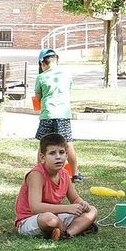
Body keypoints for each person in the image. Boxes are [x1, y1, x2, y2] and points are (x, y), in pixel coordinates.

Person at [14, 133, 97, 240]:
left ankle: (67, 234)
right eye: (52, 153)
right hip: (31, 219)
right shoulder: (36, 175)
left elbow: (75, 199)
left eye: (61, 152)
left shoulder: (64, 174)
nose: (58, 157)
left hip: (56, 216)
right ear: (43, 157)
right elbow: (36, 207)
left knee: (92, 210)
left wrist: (82, 204)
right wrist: (68, 208)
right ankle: (77, 228)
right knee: (49, 219)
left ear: (67, 155)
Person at [33, 48, 79, 180]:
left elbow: (37, 98)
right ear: (56, 60)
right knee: (68, 143)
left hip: (47, 114)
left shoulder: (41, 77)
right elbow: (68, 89)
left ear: (43, 64)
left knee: (44, 143)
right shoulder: (66, 74)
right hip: (63, 115)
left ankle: (39, 172)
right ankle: (75, 174)